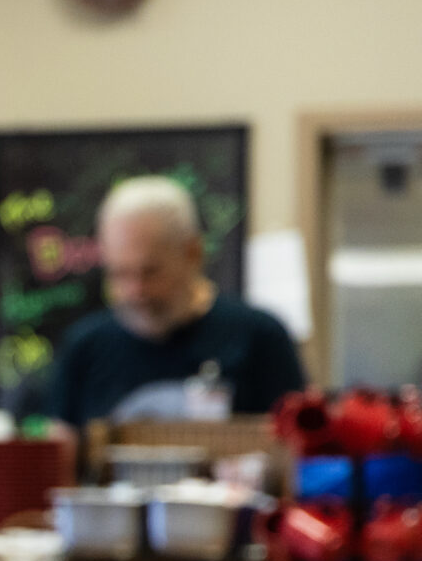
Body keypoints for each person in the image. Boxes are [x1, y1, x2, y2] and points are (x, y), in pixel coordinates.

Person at [46, 175, 306, 430]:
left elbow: (298, 451)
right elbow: (60, 452)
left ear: (193, 253)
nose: (135, 291)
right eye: (120, 274)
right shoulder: (84, 348)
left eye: (150, 272)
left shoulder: (261, 338)